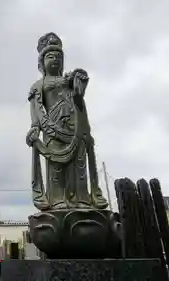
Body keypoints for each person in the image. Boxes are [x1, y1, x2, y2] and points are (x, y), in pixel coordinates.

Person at [26, 32, 108, 211]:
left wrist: (79, 84)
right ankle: (57, 199)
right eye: (50, 56)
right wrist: (35, 127)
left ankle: (82, 199)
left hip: (74, 130)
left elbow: (79, 103)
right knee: (56, 168)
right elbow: (36, 108)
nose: (55, 59)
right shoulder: (38, 85)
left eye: (58, 57)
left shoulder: (69, 82)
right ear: (41, 63)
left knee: (78, 168)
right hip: (52, 131)